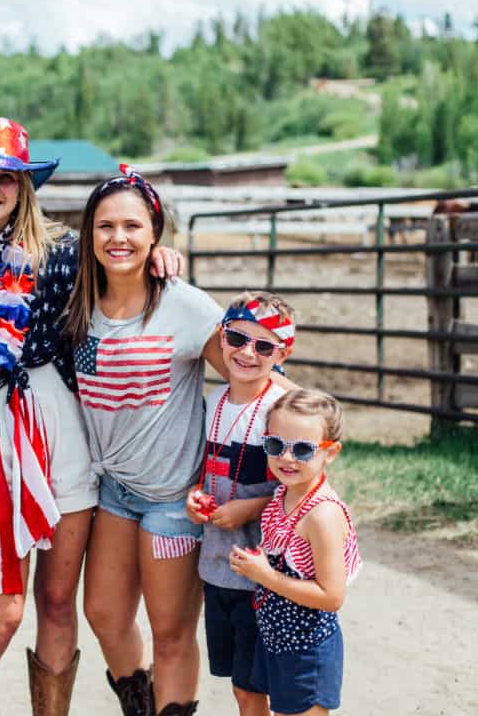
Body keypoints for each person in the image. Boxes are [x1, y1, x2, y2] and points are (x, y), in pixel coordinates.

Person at [0, 117, 181, 715]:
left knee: (58, 601)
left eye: (7, 177)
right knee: (2, 610)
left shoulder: (60, 251)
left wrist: (157, 252)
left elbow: (120, 268)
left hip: (60, 426)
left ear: (24, 187)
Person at [60, 166, 228, 716]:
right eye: (105, 226)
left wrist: (304, 425)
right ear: (89, 235)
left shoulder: (183, 305)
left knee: (171, 631)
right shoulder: (78, 303)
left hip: (173, 499)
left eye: (132, 225)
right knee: (105, 614)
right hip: (115, 491)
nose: (118, 237)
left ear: (155, 232)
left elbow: (245, 371)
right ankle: (140, 702)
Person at [185, 292, 298, 716]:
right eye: (237, 338)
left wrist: (248, 510)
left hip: (262, 575)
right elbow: (203, 472)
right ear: (222, 336)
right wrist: (194, 499)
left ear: (282, 353)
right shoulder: (212, 403)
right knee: (239, 686)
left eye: (264, 346)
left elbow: (302, 486)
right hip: (217, 569)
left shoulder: (281, 412)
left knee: (257, 688)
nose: (247, 353)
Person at [229, 389, 363, 716]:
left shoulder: (322, 516)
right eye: (275, 446)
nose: (287, 458)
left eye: (303, 449)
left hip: (307, 650)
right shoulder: (284, 493)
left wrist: (265, 575)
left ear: (330, 453)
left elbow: (331, 596)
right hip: (275, 638)